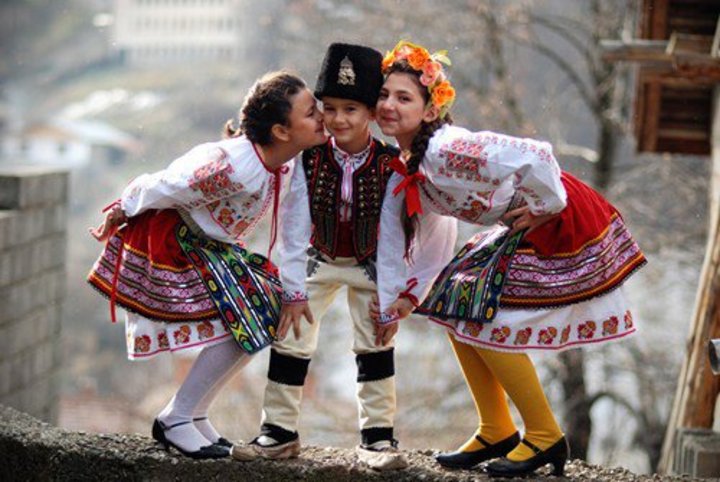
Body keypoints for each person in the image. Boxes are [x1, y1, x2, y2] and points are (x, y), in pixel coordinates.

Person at [372, 41, 646, 477]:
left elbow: (538, 154)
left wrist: (546, 205)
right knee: (452, 302)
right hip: (523, 221)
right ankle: (496, 427)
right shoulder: (411, 166)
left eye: (403, 97)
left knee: (487, 319)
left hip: (558, 213)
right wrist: (401, 298)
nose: (389, 105)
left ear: (429, 110)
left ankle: (543, 437)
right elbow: (430, 235)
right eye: (383, 96)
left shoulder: (447, 150)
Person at [87, 71, 327, 460]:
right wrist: (123, 207)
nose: (322, 118)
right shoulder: (232, 165)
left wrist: (295, 291)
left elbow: (295, 232)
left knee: (261, 312)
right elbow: (169, 183)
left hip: (211, 246)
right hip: (175, 240)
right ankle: (176, 418)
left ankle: (193, 415)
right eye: (311, 112)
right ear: (282, 131)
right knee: (251, 315)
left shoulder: (290, 165)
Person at [232, 43, 407, 471]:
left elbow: (393, 236)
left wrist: (391, 296)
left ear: (370, 112)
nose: (339, 119)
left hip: (370, 264)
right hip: (319, 258)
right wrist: (292, 290)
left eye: (351, 108)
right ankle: (278, 430)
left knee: (376, 344)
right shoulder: (308, 159)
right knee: (291, 338)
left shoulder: (391, 165)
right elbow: (293, 229)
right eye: (328, 108)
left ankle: (378, 438)